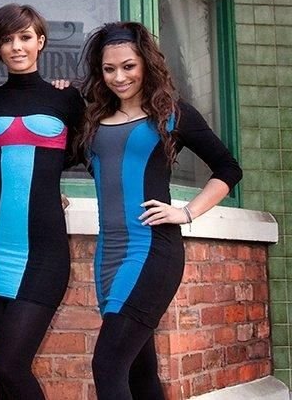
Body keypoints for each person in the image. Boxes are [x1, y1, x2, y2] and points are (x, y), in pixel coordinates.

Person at [78, 21, 243, 399]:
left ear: (146, 64)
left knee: (107, 364)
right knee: (140, 371)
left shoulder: (172, 114)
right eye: (109, 69)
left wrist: (186, 213)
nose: (119, 77)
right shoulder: (92, 120)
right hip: (108, 256)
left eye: (129, 66)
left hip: (152, 250)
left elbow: (228, 169)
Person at [0, 4, 84, 399]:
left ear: (40, 41)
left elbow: (88, 152)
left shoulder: (66, 98)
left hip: (45, 250)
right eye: (7, 39)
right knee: (5, 372)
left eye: (24, 37)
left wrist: (45, 182)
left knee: (12, 365)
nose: (16, 46)